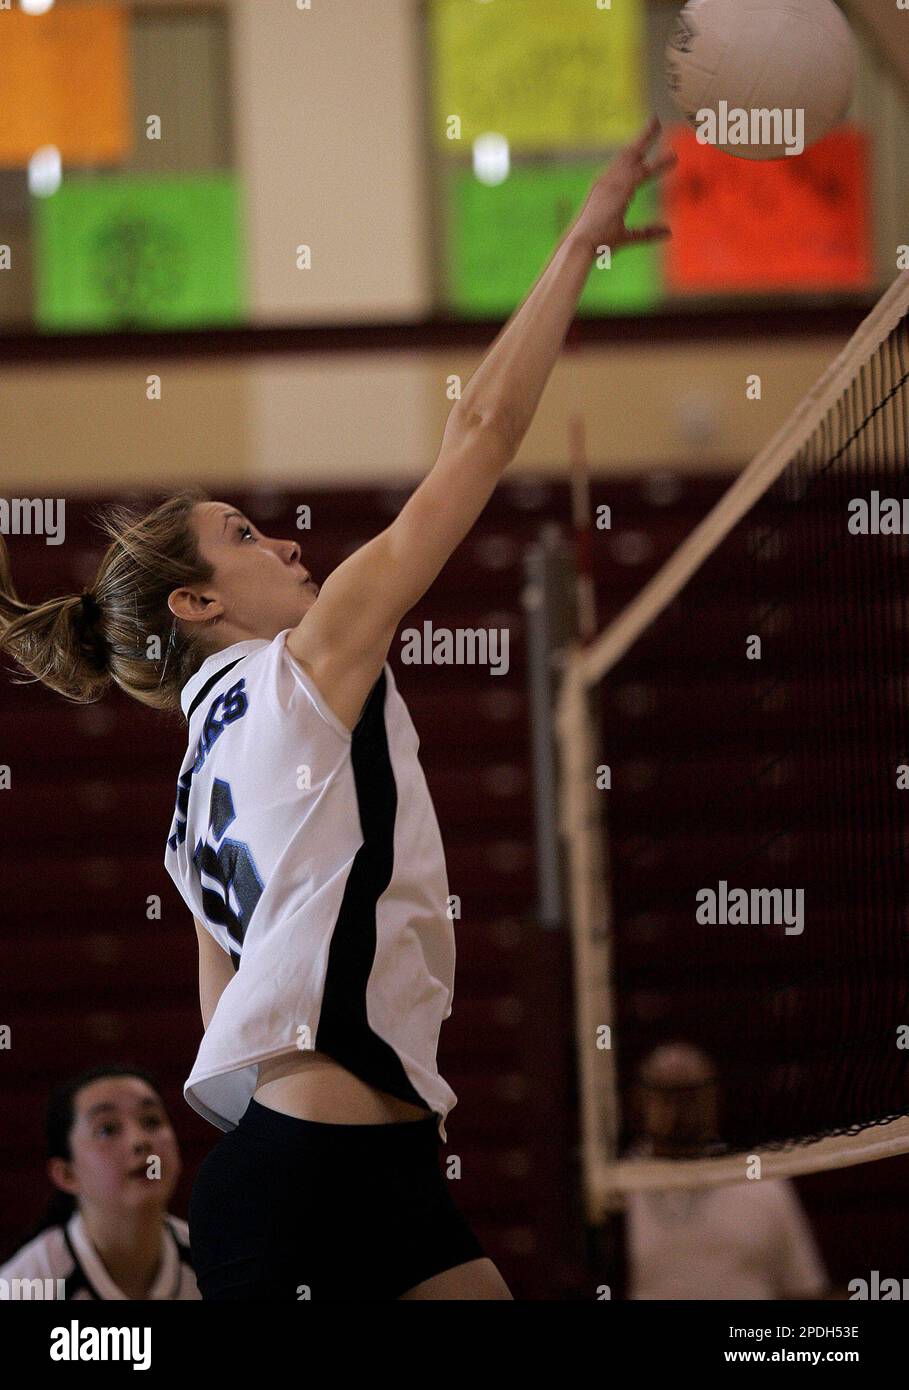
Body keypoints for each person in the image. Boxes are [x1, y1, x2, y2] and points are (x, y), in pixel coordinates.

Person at [0, 117, 675, 1299]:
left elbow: (233, 1015)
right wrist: (578, 244)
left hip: (340, 1167)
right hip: (319, 1176)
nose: (291, 540)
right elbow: (483, 430)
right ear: (199, 599)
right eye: (247, 534)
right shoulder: (305, 669)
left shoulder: (182, 807)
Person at [624, 1042, 830, 1300]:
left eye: (691, 1096)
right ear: (641, 1101)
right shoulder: (615, 1192)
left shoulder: (763, 1182)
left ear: (712, 1098)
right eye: (667, 1095)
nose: (679, 1111)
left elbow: (803, 1289)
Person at [0, 1065, 199, 1300]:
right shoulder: (22, 1287)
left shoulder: (215, 1261)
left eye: (152, 1121)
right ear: (66, 1174)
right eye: (107, 1129)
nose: (140, 1141)